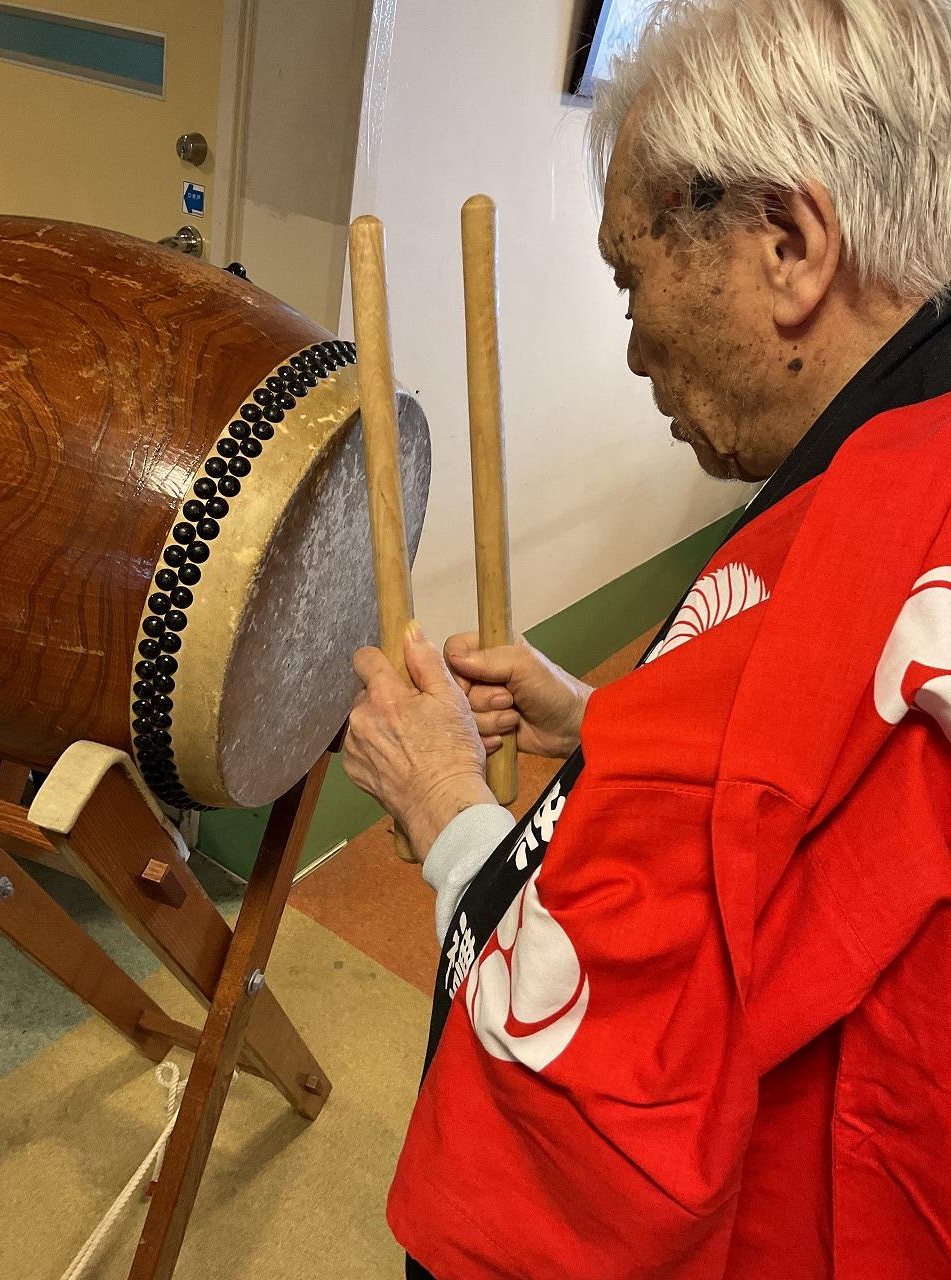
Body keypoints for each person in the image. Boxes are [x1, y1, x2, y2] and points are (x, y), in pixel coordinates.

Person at [343, 1, 951, 1275]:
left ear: (788, 241)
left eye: (634, 276)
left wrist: (446, 800)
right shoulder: (914, 472)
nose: (631, 346)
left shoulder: (855, 562)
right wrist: (605, 723)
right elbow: (783, 803)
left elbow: (617, 1091)